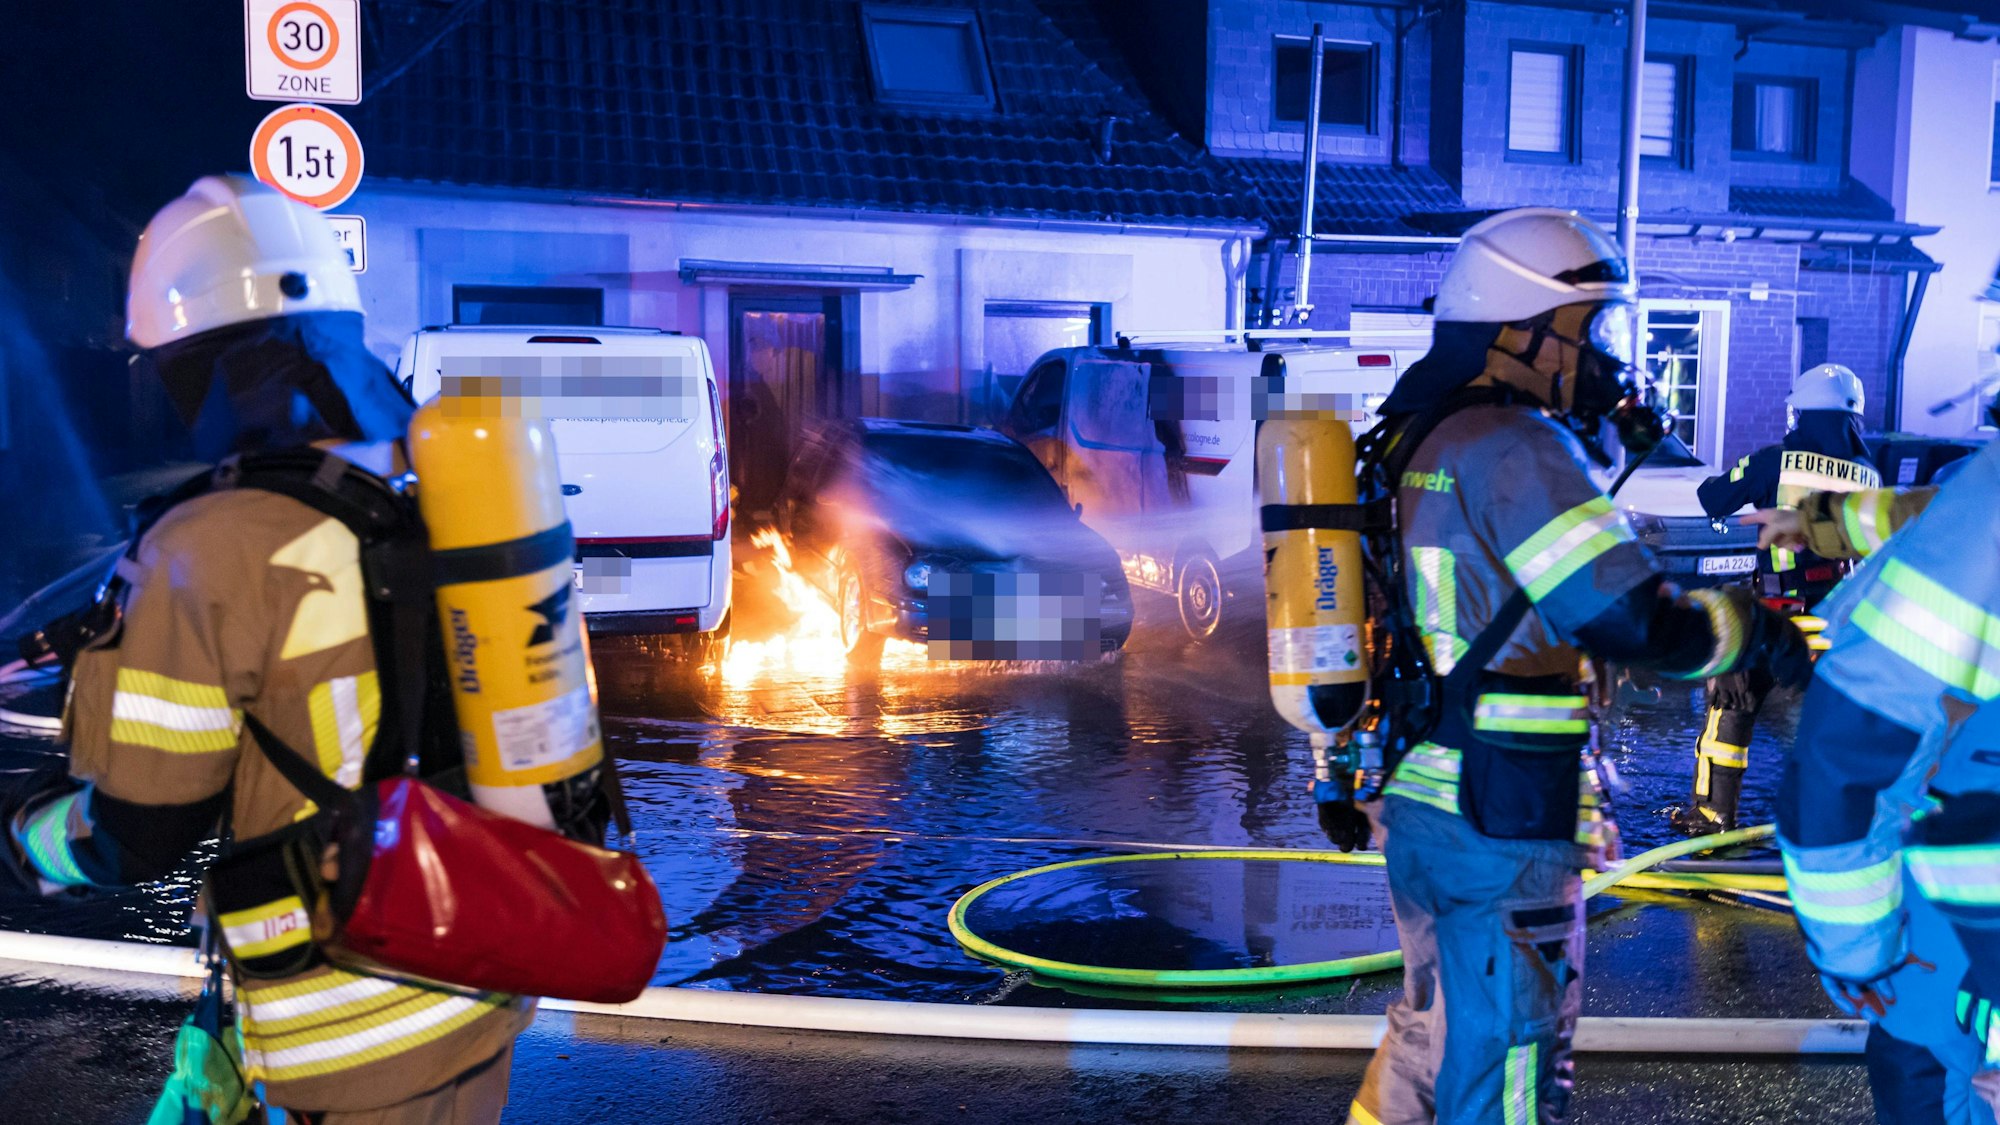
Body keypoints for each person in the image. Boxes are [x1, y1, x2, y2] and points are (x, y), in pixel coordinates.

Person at [0, 176, 530, 1122]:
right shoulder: (433, 474)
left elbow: (140, 828)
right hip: (478, 960)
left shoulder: (214, 539)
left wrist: (23, 832)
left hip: (349, 1021)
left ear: (198, 361)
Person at [1343, 208, 1815, 1125]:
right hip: (1505, 813)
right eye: (1589, 329)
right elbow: (1634, 620)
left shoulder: (1420, 437)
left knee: (1431, 1038)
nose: (1605, 357)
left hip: (1423, 796)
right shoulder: (1519, 444)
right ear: (1519, 330)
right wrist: (1757, 634)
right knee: (1514, 1062)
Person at [1779, 436, 2000, 1124]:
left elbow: (1848, 759)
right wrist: (1821, 521)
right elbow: (1940, 510)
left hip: (1949, 969)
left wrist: (1858, 955)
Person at [1670, 363, 1881, 835]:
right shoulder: (1869, 474)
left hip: (1776, 613)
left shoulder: (1774, 462)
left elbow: (1713, 498)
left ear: (1801, 415)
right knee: (1841, 722)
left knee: (1731, 706)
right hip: (1841, 619)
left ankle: (1713, 817)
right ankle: (1842, 823)